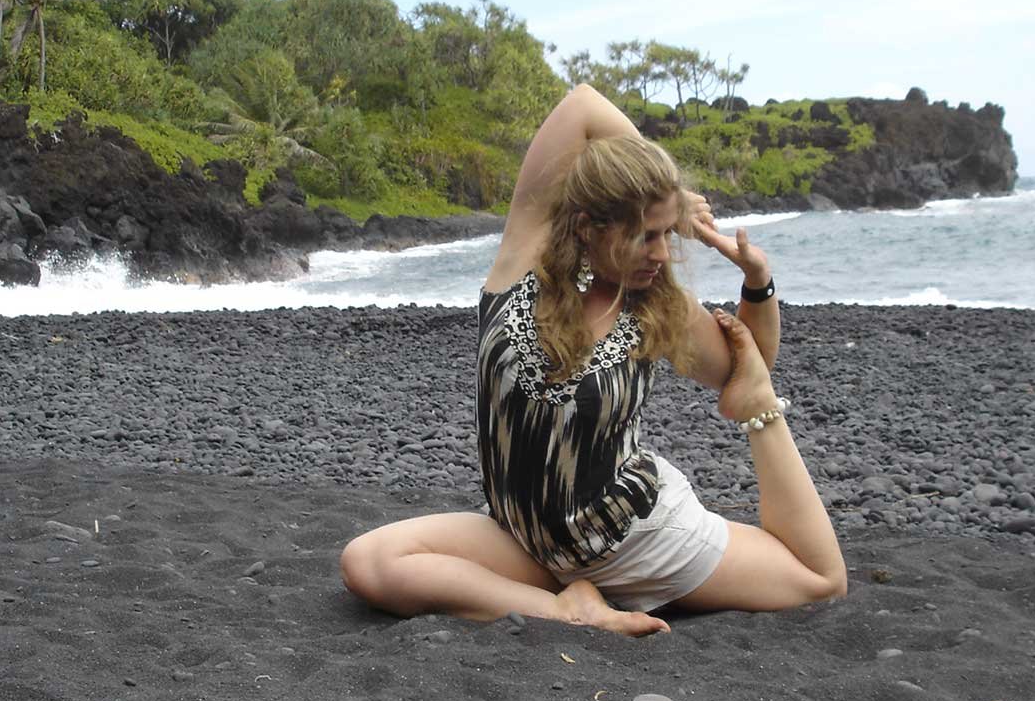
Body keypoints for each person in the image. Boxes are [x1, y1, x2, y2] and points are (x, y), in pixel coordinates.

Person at [339, 84, 847, 635]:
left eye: (667, 233)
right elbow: (581, 105)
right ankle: (564, 608)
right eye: (645, 235)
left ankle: (584, 592)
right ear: (588, 226)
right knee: (368, 562)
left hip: (634, 542)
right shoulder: (521, 261)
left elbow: (749, 366)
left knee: (819, 582)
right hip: (531, 539)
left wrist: (757, 281)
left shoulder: (657, 306)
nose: (661, 253)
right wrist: (666, 185)